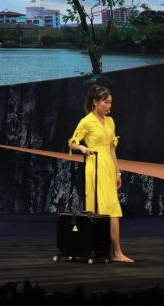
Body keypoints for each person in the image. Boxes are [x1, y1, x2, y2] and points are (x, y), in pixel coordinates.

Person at [68, 83, 134, 263]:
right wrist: (82, 148)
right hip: (95, 165)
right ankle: (100, 249)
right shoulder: (87, 121)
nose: (108, 106)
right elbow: (73, 142)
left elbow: (112, 149)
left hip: (108, 166)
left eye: (110, 102)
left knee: (113, 208)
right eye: (105, 102)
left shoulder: (110, 121)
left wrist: (117, 173)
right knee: (104, 208)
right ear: (95, 102)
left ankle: (115, 252)